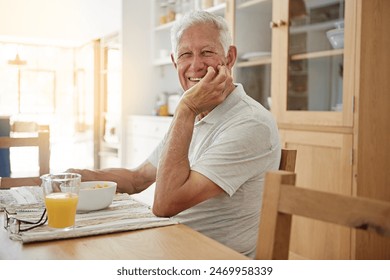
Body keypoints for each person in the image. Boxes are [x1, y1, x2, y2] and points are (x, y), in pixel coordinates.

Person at [68, 10, 281, 258]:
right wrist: (84, 175)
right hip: (169, 242)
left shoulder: (250, 123)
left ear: (229, 57)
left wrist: (185, 108)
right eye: (185, 55)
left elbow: (164, 204)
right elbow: (139, 179)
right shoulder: (192, 115)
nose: (196, 65)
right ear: (174, 62)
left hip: (212, 258)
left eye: (207, 52)